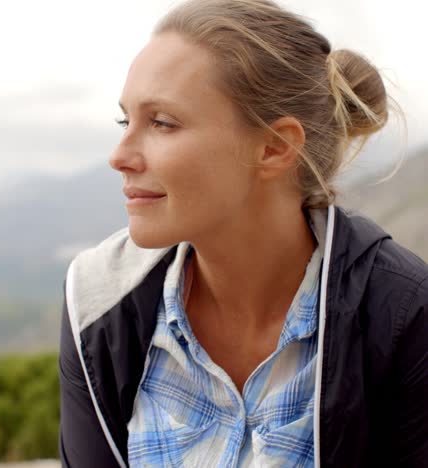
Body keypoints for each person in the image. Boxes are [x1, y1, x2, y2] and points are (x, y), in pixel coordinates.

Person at [58, 0, 428, 466]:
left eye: (162, 123)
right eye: (124, 120)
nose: (120, 155)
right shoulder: (95, 302)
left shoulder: (403, 312)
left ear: (275, 147)